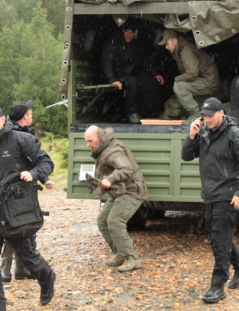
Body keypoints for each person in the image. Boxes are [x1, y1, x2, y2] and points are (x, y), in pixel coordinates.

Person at [0, 103, 56, 310]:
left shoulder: (22, 140)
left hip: (18, 210)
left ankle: (46, 277)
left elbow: (46, 163)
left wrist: (34, 174)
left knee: (27, 256)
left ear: (3, 119)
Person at [181, 97, 239, 304]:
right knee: (217, 237)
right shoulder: (203, 132)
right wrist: (192, 135)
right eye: (204, 116)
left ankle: (217, 285)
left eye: (210, 116)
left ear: (221, 113)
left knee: (219, 240)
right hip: (210, 194)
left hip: (228, 194)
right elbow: (186, 156)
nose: (207, 119)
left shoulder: (234, 135)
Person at [0, 100, 55, 283]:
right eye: (31, 114)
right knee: (13, 228)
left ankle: (22, 269)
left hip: (21, 189)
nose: (32, 116)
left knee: (26, 226)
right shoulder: (12, 135)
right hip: (13, 191)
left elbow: (31, 161)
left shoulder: (20, 134)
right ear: (25, 116)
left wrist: (43, 178)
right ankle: (5, 270)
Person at [84, 125, 148, 272]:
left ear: (99, 137)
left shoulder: (113, 151)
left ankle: (131, 258)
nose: (88, 144)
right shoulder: (104, 148)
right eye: (86, 141)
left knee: (115, 221)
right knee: (102, 220)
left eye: (90, 141)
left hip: (132, 190)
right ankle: (120, 253)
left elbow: (127, 169)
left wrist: (110, 179)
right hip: (121, 190)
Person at [101, 22, 165, 124]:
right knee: (132, 81)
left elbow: (145, 61)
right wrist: (112, 80)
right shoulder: (113, 42)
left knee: (150, 84)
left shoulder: (135, 45)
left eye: (131, 33)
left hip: (129, 74)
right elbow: (106, 63)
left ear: (136, 33)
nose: (129, 35)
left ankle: (140, 111)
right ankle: (132, 113)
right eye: (127, 32)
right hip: (115, 75)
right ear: (122, 30)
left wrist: (155, 73)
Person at [158, 29, 222, 125]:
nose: (166, 47)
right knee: (205, 108)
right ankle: (223, 108)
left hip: (208, 82)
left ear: (175, 40)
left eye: (167, 43)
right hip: (205, 80)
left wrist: (177, 79)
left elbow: (192, 73)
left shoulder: (186, 51)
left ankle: (196, 114)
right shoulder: (181, 49)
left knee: (179, 86)